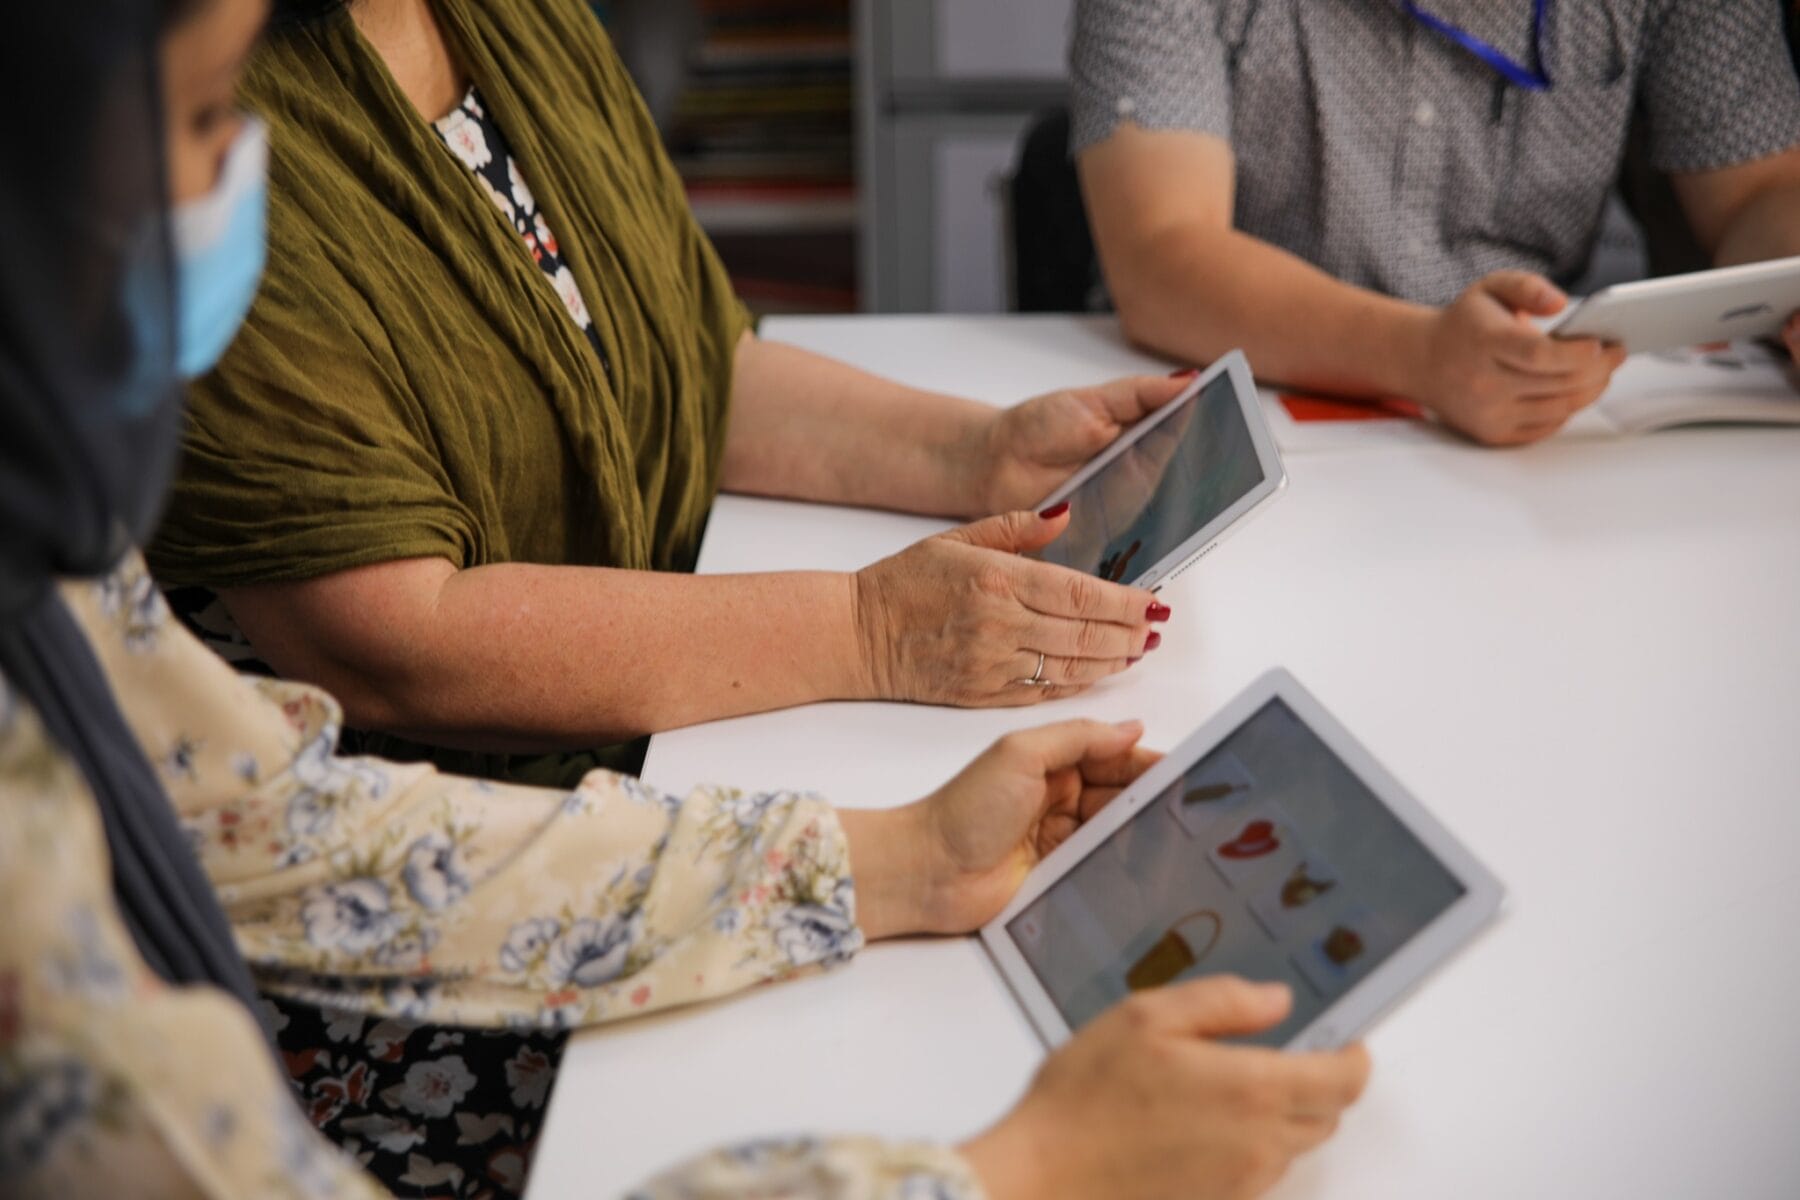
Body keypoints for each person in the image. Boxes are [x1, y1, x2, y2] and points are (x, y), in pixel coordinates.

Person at [0, 7, 1371, 1200]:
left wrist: (901, 857)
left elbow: (291, 834)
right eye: (196, 118)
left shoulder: (57, 588)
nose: (226, 168)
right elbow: (383, 669)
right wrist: (1017, 1175)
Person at [143, 0, 1187, 791]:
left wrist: (984, 455)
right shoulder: (179, 115)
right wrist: (870, 631)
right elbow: (393, 645)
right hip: (415, 852)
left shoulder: (512, 20)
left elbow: (692, 368)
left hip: (642, 760)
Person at [1071, 0, 1800, 447]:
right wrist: (1422, 358)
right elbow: (1162, 251)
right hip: (1241, 403)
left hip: (1538, 426)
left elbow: (1758, 188)